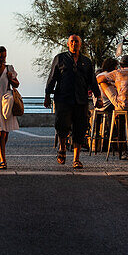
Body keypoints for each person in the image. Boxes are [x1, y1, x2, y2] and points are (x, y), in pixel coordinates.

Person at [44, 34, 100, 169]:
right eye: (72, 41)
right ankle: (62, 148)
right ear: (68, 44)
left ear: (80, 44)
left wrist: (98, 97)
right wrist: (47, 94)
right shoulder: (60, 58)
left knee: (80, 128)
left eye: (76, 41)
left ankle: (76, 159)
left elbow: (92, 80)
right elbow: (52, 77)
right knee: (62, 125)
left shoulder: (86, 61)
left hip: (81, 100)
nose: (74, 44)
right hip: (63, 98)